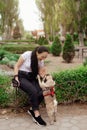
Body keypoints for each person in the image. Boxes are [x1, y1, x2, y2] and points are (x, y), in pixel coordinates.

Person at [14, 46, 49, 126]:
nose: (43, 58)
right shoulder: (27, 55)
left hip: (32, 77)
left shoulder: (41, 61)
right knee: (33, 91)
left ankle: (32, 109)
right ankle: (36, 114)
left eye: (45, 57)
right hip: (22, 77)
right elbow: (16, 66)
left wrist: (46, 77)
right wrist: (16, 77)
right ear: (37, 52)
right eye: (42, 56)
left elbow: (41, 73)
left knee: (44, 90)